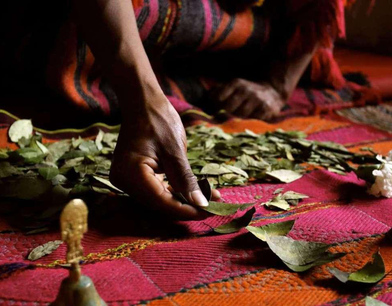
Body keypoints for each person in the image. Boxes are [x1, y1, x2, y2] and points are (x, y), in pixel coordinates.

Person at [0, 0, 350, 220]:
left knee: (261, 29)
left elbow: (319, 11)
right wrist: (143, 101)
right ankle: (130, 74)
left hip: (236, 28)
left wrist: (277, 88)